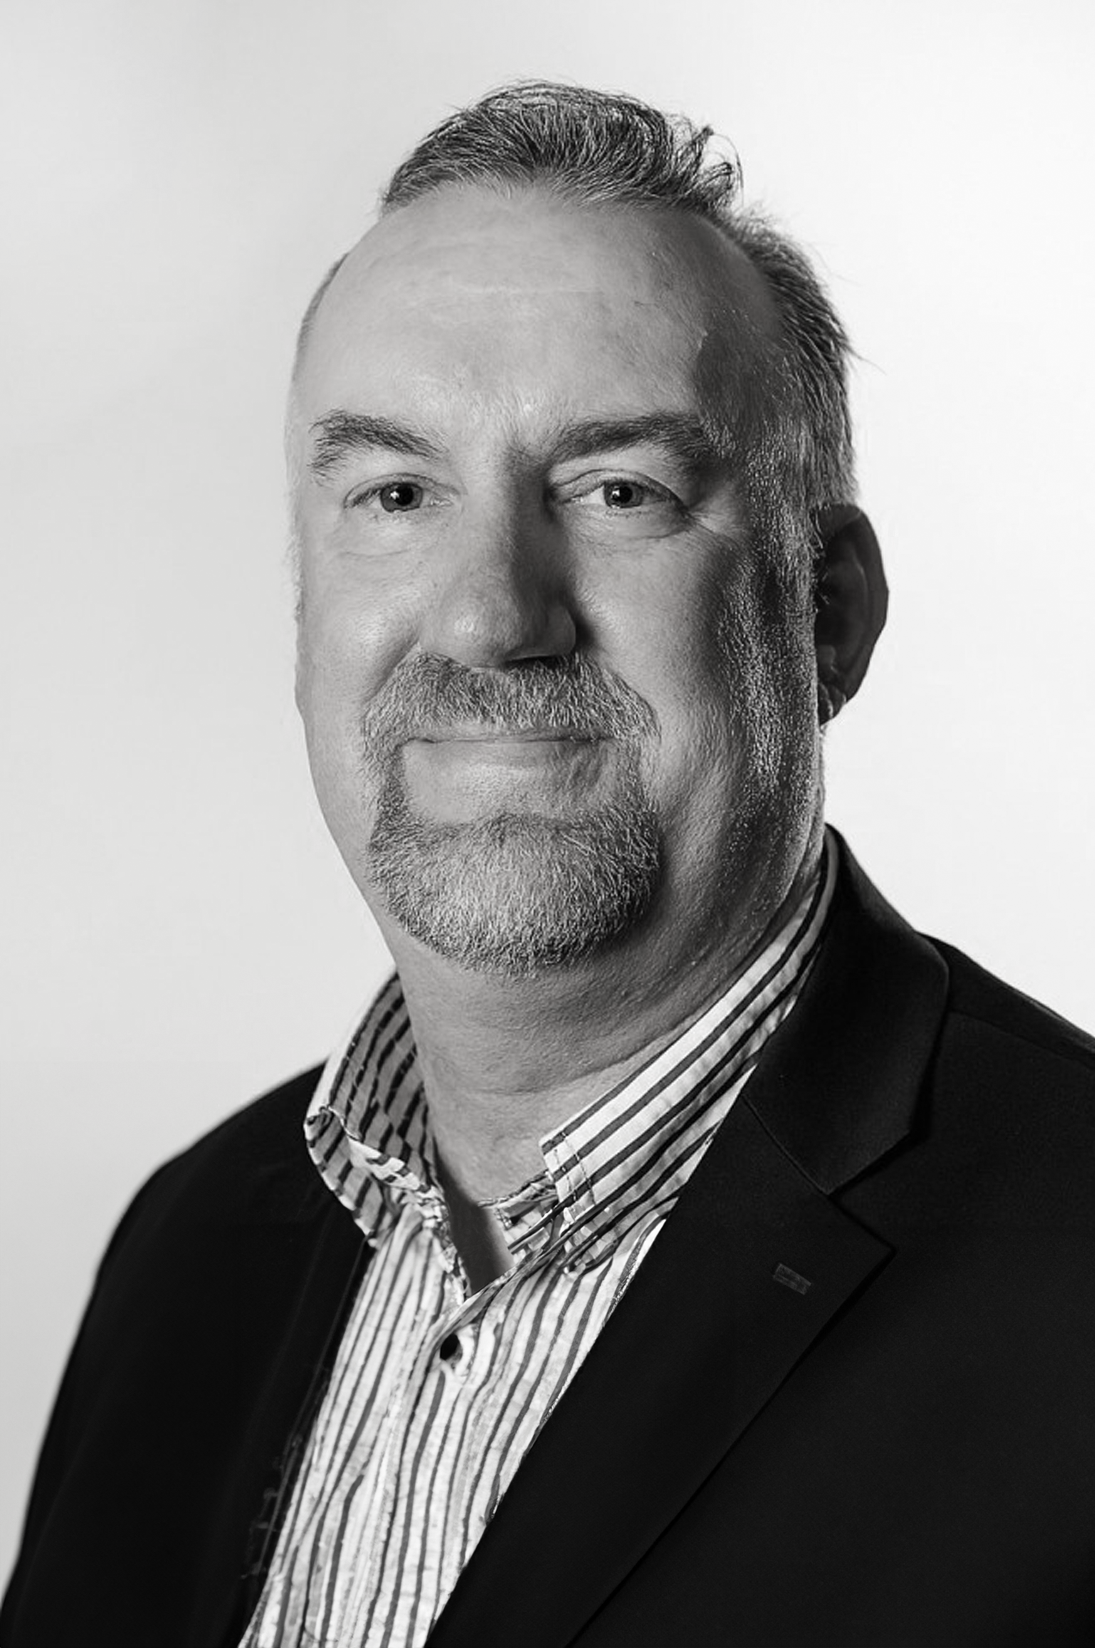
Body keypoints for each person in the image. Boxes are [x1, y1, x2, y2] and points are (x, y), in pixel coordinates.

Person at [2, 80, 1092, 1648]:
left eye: (615, 491)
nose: (487, 616)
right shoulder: (192, 1245)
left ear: (827, 613)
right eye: (395, 494)